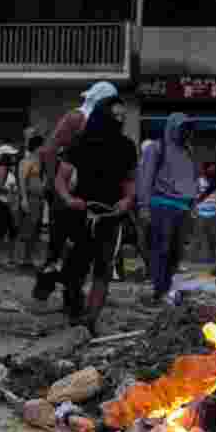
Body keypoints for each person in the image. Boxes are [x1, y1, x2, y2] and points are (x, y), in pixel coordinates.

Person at [56, 95, 137, 333]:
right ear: (103, 115)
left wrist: (127, 200)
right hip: (81, 214)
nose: (120, 120)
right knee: (75, 269)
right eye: (116, 115)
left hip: (111, 217)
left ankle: (91, 320)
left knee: (103, 269)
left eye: (123, 116)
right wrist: (70, 200)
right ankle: (74, 311)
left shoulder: (126, 146)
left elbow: (130, 180)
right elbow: (60, 178)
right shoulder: (80, 142)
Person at [32, 81, 119, 302]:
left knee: (81, 244)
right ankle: (47, 287)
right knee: (60, 241)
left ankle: (71, 290)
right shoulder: (76, 118)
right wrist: (54, 182)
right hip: (68, 190)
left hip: (90, 193)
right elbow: (49, 149)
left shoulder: (107, 124)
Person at [138, 113, 198, 306]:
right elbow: (145, 178)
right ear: (172, 128)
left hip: (182, 209)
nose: (185, 131)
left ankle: (165, 288)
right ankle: (159, 290)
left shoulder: (187, 151)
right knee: (161, 250)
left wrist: (192, 205)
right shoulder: (156, 148)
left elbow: (190, 179)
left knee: (176, 253)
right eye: (182, 127)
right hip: (161, 207)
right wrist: (144, 206)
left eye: (187, 127)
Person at [0, 144, 20, 269]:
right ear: (5, 156)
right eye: (11, 155)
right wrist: (11, 191)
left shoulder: (8, 169)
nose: (14, 157)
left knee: (9, 231)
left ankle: (4, 259)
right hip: (2, 204)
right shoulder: (1, 169)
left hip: (6, 203)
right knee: (0, 232)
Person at [17, 134, 44, 270]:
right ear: (37, 147)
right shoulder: (26, 161)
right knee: (28, 229)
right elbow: (22, 181)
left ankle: (29, 259)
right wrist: (24, 199)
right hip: (30, 199)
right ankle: (25, 259)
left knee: (35, 230)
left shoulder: (39, 161)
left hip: (39, 200)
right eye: (42, 146)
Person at [195, 161, 216, 269]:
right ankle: (196, 260)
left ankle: (214, 259)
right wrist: (195, 210)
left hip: (214, 214)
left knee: (214, 238)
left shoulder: (215, 182)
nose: (213, 171)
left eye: (214, 169)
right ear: (205, 169)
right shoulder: (198, 181)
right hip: (201, 213)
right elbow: (194, 194)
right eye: (211, 169)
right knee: (199, 237)